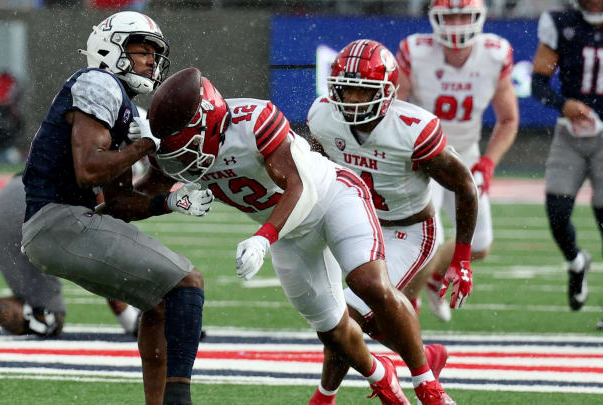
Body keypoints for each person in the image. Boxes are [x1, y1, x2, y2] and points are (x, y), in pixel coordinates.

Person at [148, 66, 454, 405]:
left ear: (208, 122)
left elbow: (302, 187)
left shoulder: (253, 121)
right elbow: (135, 197)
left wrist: (264, 236)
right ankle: (382, 377)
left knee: (369, 284)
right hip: (289, 234)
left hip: (330, 197)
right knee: (334, 330)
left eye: (188, 145)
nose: (184, 161)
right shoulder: (173, 149)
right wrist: (167, 195)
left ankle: (429, 387)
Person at [18, 12, 213, 405]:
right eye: (143, 49)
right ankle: (180, 401)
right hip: (58, 219)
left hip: (64, 221)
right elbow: (89, 170)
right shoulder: (99, 82)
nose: (151, 61)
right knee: (188, 282)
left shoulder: (118, 99)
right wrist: (144, 145)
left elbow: (120, 203)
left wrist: (170, 201)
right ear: (112, 47)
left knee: (158, 304)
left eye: (155, 54)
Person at [306, 39, 475, 405]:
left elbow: (464, 186)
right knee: (338, 316)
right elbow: (319, 170)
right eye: (343, 90)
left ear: (386, 93)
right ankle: (424, 358)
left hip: (408, 228)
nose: (349, 100)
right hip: (355, 221)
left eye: (359, 91)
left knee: (347, 312)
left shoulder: (412, 129)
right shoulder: (322, 117)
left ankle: (423, 384)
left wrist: (461, 257)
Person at [396, 0, 519, 322]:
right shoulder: (415, 50)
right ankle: (406, 308)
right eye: (450, 16)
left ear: (479, 17)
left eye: (464, 15)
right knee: (428, 241)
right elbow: (395, 109)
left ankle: (434, 279)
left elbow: (508, 119)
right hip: (424, 155)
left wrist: (489, 162)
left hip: (466, 155)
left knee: (480, 244)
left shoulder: (495, 53)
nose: (457, 24)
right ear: (435, 18)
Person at [0, 173, 143, 338]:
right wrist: (130, 323)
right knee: (47, 318)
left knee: (35, 300)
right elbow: (104, 258)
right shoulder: (113, 168)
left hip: (9, 198)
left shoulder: (90, 134)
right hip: (30, 210)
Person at [531, 0, 603, 317]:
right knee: (558, 213)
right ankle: (576, 262)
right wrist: (564, 104)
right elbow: (537, 82)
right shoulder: (562, 23)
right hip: (569, 133)